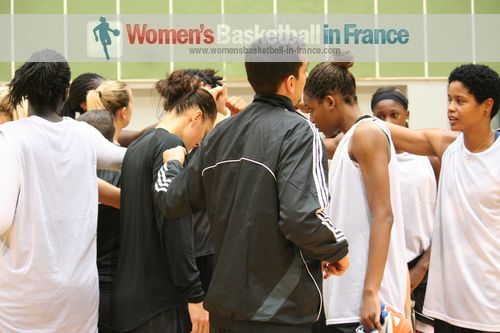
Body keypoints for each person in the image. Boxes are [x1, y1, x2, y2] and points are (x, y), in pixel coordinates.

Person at [152, 36, 350, 333]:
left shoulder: (221, 134)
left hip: (226, 313)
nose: (307, 78)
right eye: (306, 71)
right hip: (280, 312)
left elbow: (171, 200)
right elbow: (302, 218)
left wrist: (171, 164)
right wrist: (336, 250)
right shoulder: (299, 131)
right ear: (291, 81)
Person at [0, 49, 126, 332]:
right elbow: (127, 160)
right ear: (66, 91)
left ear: (26, 91)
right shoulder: (83, 134)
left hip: (24, 302)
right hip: (79, 299)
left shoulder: (10, 138)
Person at [387, 63, 500, 333]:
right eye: (449, 99)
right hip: (447, 309)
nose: (450, 107)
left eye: (460, 101)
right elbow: (385, 132)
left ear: (486, 106)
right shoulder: (446, 147)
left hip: (490, 307)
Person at [108, 69, 219, 333]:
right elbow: (174, 224)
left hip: (129, 298)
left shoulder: (136, 146)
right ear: (197, 117)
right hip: (160, 302)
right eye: (203, 135)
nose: (197, 145)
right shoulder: (172, 147)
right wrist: (194, 294)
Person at [303, 62, 411, 333]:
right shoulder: (348, 140)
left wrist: (371, 292)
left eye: (311, 109)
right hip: (349, 299)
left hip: (371, 304)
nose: (312, 119)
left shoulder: (367, 134)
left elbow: (384, 215)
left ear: (330, 102)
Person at [371, 87, 439, 333]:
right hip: (384, 267)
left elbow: (444, 216)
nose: (388, 123)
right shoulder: (370, 160)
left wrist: (423, 266)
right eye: (380, 117)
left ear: (407, 115)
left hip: (425, 264)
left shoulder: (429, 158)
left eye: (394, 115)